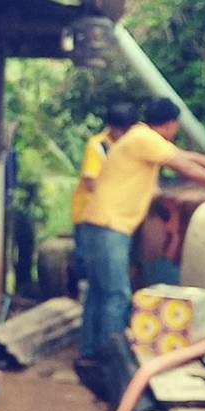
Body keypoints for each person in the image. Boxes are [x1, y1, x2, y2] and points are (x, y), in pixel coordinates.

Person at [77, 95, 205, 379]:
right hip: (109, 226)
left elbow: (187, 157)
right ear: (171, 124)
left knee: (99, 293)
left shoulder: (141, 137)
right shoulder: (144, 138)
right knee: (117, 295)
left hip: (98, 224)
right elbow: (184, 166)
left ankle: (91, 354)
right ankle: (112, 365)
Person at [71, 99, 136, 297]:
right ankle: (79, 292)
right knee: (87, 261)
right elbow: (91, 182)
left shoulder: (132, 144)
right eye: (119, 130)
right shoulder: (98, 146)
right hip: (88, 212)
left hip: (115, 216)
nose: (122, 134)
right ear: (110, 127)